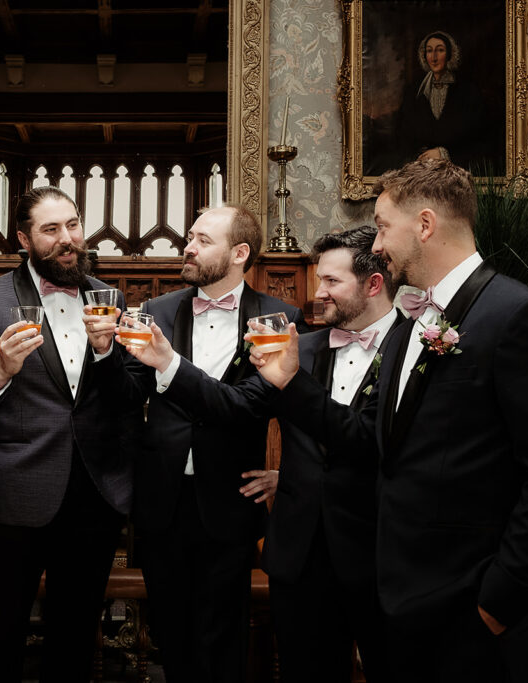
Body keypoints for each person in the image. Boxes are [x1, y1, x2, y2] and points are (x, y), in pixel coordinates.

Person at [256, 159, 528, 682]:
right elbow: (375, 441)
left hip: (472, 607)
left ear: (426, 225)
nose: (378, 244)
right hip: (404, 601)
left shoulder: (515, 315)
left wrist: (500, 600)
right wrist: (289, 383)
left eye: (384, 226)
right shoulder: (411, 325)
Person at [119, 203, 304, 682]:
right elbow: (126, 395)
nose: (189, 247)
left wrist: (169, 366)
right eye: (190, 237)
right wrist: (103, 353)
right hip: (162, 500)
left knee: (223, 639)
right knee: (171, 636)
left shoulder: (280, 319)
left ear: (239, 253)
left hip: (229, 499)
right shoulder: (158, 311)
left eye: (203, 240)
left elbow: (250, 407)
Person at [0, 186, 133, 682]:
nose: (67, 239)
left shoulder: (109, 297)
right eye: (51, 229)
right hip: (19, 490)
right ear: (24, 239)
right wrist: (1, 370)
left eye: (73, 225)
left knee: (76, 638)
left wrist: (106, 353)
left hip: (94, 493)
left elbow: (122, 396)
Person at [258, 226, 399, 682]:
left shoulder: (414, 349)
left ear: (373, 284)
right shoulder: (302, 348)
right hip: (299, 557)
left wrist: (291, 382)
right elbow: (236, 407)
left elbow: (368, 440)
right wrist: (168, 365)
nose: (318, 293)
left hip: (380, 555)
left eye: (331, 281)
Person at [398, 31, 497, 170]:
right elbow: (404, 138)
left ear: (450, 54)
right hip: (421, 170)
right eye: (429, 51)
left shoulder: (467, 91)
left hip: (457, 168)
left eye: (440, 50)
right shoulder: (413, 92)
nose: (434, 57)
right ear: (424, 56)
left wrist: (444, 154)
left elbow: (479, 141)